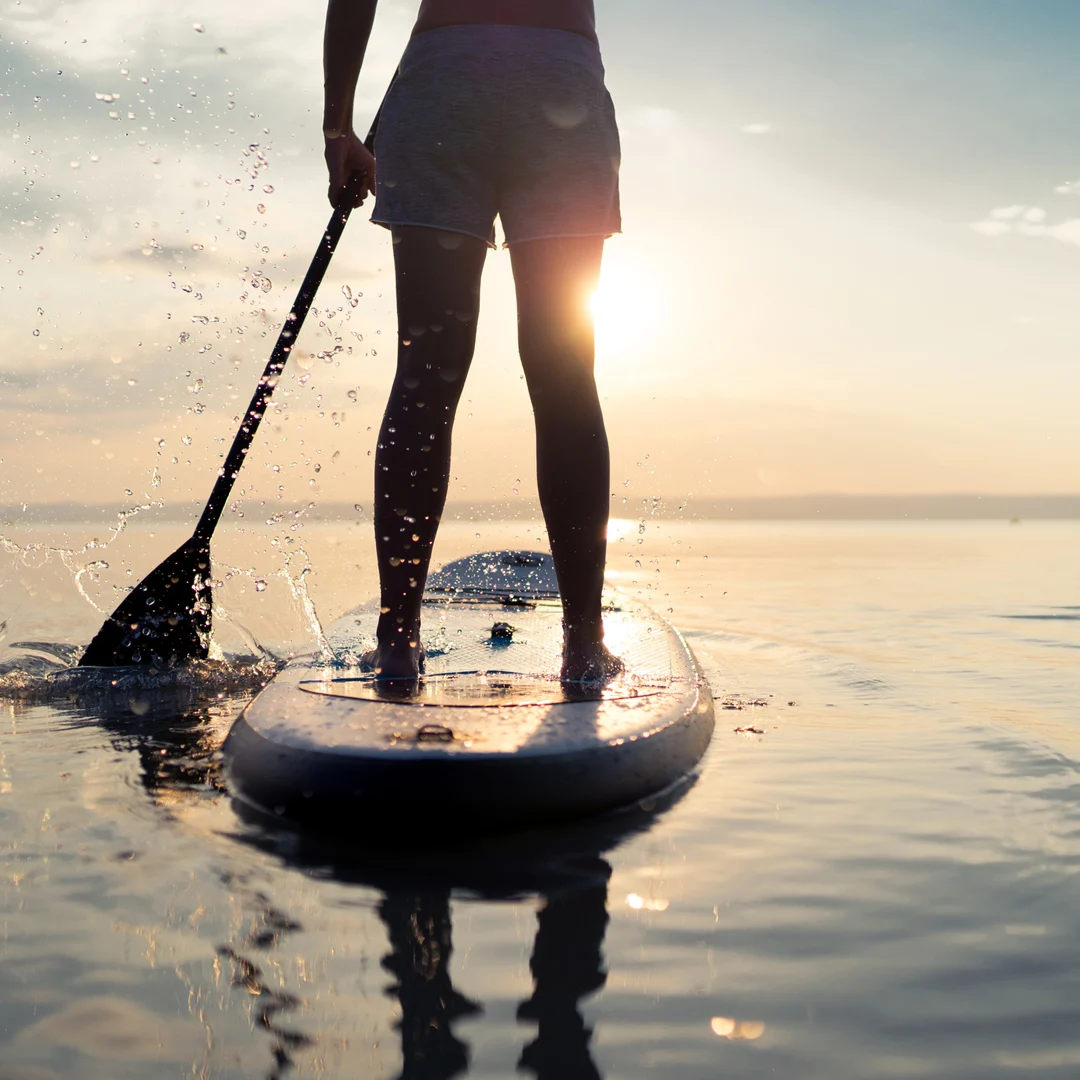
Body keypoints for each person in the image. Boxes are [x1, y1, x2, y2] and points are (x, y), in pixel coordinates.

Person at [323, 0, 623, 682]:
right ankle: (582, 645)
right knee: (564, 371)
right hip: (559, 84)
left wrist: (338, 126)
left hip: (441, 84)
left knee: (426, 373)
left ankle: (398, 641)